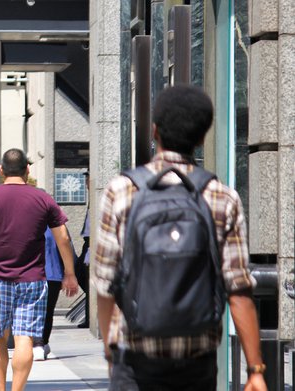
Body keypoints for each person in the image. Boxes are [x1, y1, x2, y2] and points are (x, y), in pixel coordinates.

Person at [94, 85, 266, 390]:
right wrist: (255, 369)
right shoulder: (222, 197)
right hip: (196, 362)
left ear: (155, 131)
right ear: (202, 137)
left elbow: (105, 282)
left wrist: (110, 347)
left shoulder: (121, 190)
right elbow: (238, 289)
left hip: (134, 359)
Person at [0, 148, 79, 391]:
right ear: (27, 169)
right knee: (24, 337)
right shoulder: (43, 198)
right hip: (32, 278)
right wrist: (69, 272)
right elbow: (63, 238)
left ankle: (0, 389)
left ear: (1, 170)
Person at [33, 228, 72, 361]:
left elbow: (66, 245)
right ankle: (38, 343)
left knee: (47, 311)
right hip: (30, 274)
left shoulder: (55, 222)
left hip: (52, 274)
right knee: (31, 310)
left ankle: (41, 342)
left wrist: (68, 274)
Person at [75, 170, 91, 329]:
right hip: (87, 242)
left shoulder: (98, 196)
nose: (86, 182)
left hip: (92, 243)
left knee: (83, 274)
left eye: (88, 179)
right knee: (80, 272)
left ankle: (90, 318)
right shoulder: (91, 198)